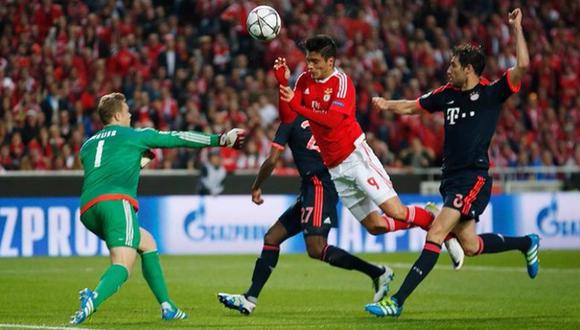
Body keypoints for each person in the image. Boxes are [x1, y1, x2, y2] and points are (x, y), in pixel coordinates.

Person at [365, 9, 540, 317]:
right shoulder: (447, 94)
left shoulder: (490, 93)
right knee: (470, 246)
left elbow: (523, 65)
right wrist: (386, 104)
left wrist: (516, 28)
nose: (448, 70)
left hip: (473, 179)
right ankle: (527, 242)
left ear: (469, 69)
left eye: (454, 66)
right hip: (451, 180)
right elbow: (413, 106)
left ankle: (396, 302)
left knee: (435, 233)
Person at [278, 35, 464, 264]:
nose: (310, 66)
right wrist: (283, 84)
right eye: (308, 60)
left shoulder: (342, 83)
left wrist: (296, 105)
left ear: (330, 62)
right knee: (375, 226)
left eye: (315, 61)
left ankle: (436, 222)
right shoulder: (305, 80)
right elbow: (288, 116)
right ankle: (430, 217)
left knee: (395, 211)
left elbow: (333, 121)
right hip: (334, 169)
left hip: (356, 158)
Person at [69, 92, 246, 324]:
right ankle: (93, 298)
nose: (130, 114)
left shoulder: (88, 145)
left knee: (147, 243)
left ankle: (167, 306)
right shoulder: (135, 136)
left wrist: (136, 161)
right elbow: (179, 137)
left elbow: (107, 168)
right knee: (123, 264)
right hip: (116, 202)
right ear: (117, 115)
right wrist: (220, 140)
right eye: (127, 111)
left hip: (88, 209)